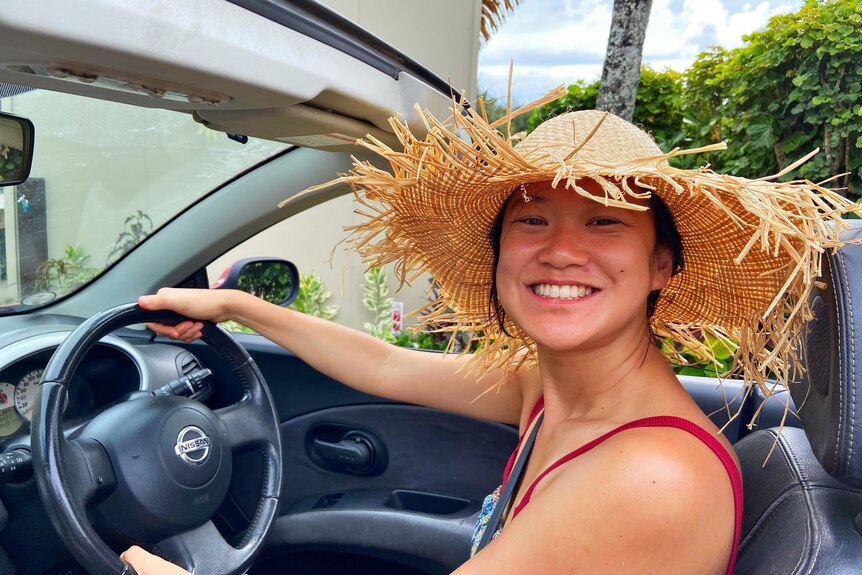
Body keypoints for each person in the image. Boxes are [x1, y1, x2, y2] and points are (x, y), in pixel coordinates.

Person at [121, 96, 857, 574]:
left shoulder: (650, 475)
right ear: (502, 253)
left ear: (662, 262)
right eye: (532, 219)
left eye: (604, 221)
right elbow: (383, 363)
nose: (561, 251)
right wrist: (238, 308)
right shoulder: (554, 386)